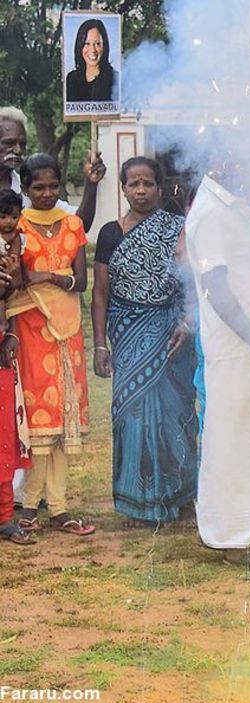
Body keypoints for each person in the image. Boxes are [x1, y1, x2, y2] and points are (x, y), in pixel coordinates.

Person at [185, 169, 250, 569]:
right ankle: (235, 539)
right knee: (236, 444)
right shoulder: (211, 213)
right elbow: (216, 288)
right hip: (239, 350)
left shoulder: (227, 207)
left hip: (248, 351)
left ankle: (247, 534)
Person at [91, 157, 199, 527]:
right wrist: (100, 345)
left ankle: (181, 497)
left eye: (148, 183)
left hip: (172, 334)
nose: (141, 191)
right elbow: (100, 292)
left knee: (176, 414)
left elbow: (191, 282)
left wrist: (187, 321)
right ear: (123, 189)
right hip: (127, 331)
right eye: (133, 184)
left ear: (158, 187)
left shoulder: (178, 228)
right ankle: (137, 504)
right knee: (130, 416)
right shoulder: (111, 233)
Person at [2, 154, 94, 536]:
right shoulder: (16, 226)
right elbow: (14, 284)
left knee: (62, 419)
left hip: (68, 330)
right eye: (38, 187)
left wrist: (52, 277)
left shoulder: (72, 224)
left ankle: (59, 506)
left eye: (53, 186)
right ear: (25, 188)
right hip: (29, 328)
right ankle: (29, 505)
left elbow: (81, 282)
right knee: (38, 420)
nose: (47, 193)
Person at [0, 106, 106, 232]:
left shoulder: (28, 188)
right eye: (9, 143)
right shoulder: (29, 187)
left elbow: (80, 224)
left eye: (22, 144)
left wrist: (91, 183)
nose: (18, 150)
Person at [0, 189, 32, 544]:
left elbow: (11, 293)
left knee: (4, 434)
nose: (7, 222)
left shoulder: (15, 246)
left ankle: (6, 516)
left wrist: (10, 333)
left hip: (1, 346)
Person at [65, 19, 117, 103]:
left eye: (97, 44)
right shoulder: (72, 79)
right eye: (87, 43)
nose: (93, 50)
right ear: (80, 46)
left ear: (104, 46)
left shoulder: (115, 79)